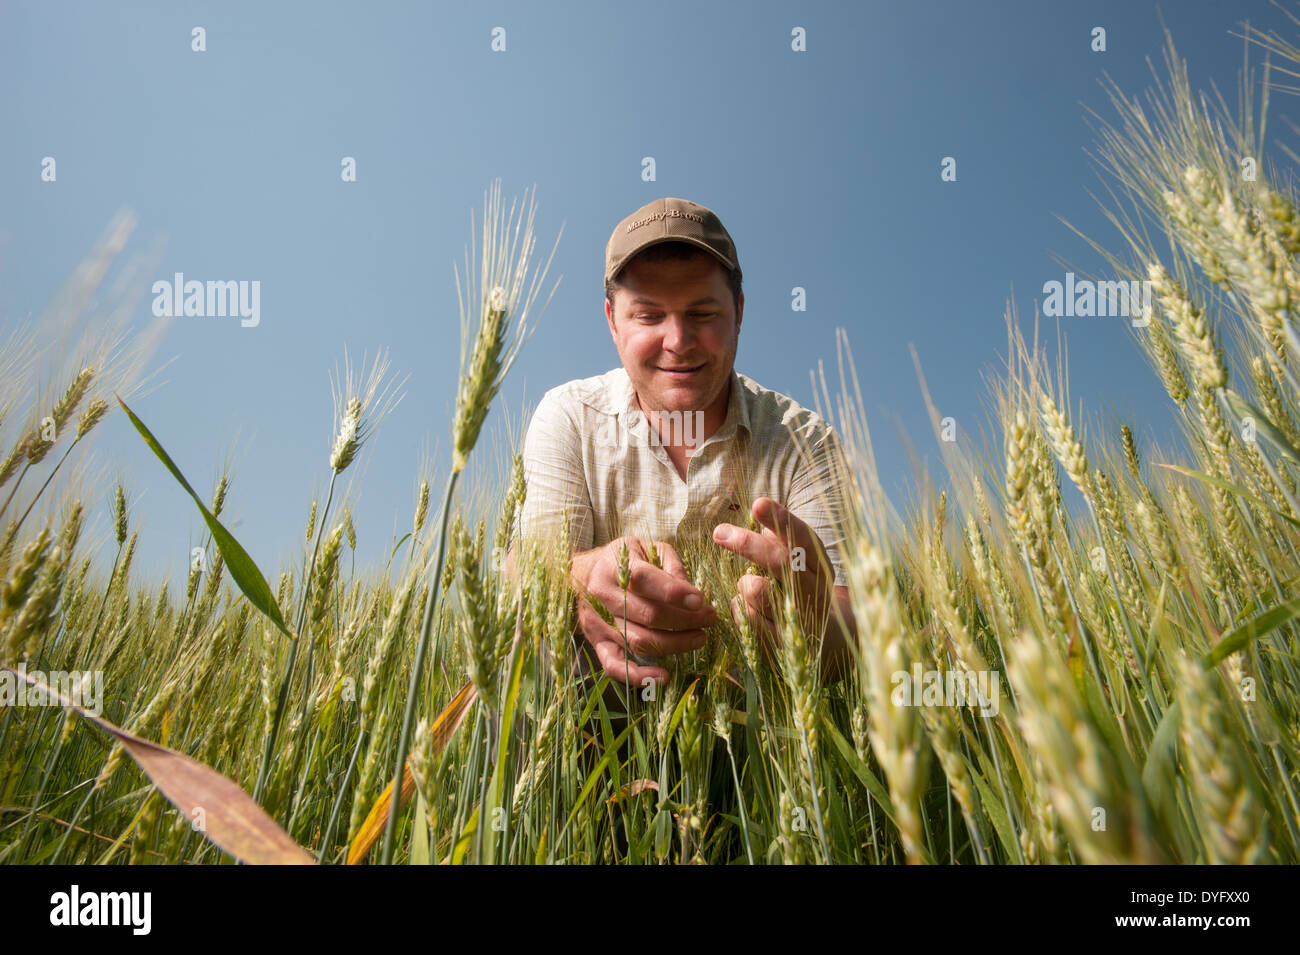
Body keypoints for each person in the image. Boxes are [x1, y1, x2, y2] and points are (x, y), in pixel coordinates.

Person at [506, 196, 857, 688]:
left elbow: (850, 621)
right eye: (648, 316)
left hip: (759, 723)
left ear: (738, 312)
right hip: (594, 708)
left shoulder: (806, 443)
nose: (678, 340)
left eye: (702, 313)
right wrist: (583, 576)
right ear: (612, 321)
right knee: (529, 644)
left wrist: (823, 633)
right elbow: (527, 572)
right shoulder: (568, 416)